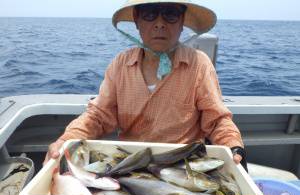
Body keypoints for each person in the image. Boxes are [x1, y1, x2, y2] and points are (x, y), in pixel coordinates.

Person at [44, 0, 248, 171]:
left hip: (184, 164)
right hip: (129, 163)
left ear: (182, 21)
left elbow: (217, 120)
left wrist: (234, 146)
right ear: (136, 20)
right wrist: (66, 140)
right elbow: (98, 116)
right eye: (150, 14)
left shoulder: (199, 64)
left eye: (170, 14)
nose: (160, 24)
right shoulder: (120, 64)